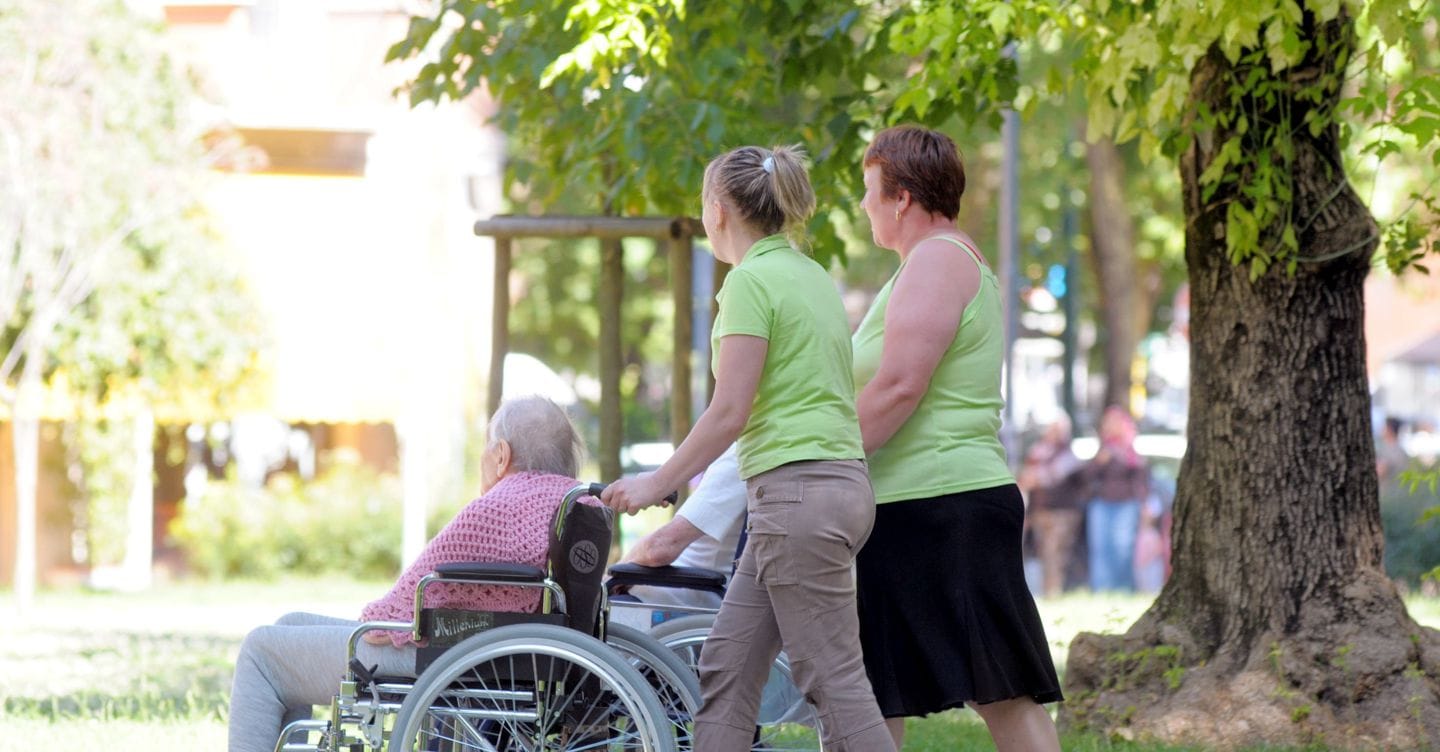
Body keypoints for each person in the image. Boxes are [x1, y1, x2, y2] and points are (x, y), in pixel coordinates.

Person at [602, 145, 895, 752]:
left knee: (833, 682)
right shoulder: (811, 276)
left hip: (796, 500)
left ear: (717, 210)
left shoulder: (749, 282)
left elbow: (729, 411)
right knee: (728, 666)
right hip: (831, 491)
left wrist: (657, 483)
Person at [850, 125, 1062, 752]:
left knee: (1002, 692)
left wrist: (820, 460)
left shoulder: (937, 260)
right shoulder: (927, 263)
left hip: (943, 502)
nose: (863, 205)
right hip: (911, 504)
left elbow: (898, 387)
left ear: (901, 199)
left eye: (869, 190)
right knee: (873, 692)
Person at [227, 396, 587, 752]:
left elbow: (390, 620)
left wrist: (380, 618)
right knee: (290, 623)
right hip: (493, 647)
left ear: (501, 455)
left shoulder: (499, 509)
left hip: (449, 651)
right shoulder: (569, 499)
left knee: (260, 653)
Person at [618, 443, 746, 614]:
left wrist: (613, 575)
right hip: (698, 590)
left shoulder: (738, 458)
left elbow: (660, 548)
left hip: (684, 597)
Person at [1076, 405, 1150, 593]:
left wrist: (1144, 504)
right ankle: (1102, 589)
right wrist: (1099, 462)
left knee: (1122, 546)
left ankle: (1123, 588)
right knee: (1100, 547)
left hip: (1126, 503)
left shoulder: (1131, 452)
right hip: (1101, 503)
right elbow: (1086, 476)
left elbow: (1141, 480)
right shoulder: (1103, 448)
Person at [1017, 414, 1084, 598]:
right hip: (1040, 512)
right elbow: (1026, 480)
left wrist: (1036, 478)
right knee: (1044, 554)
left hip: (1061, 513)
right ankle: (1048, 591)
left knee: (1056, 554)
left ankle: (1054, 592)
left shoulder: (1068, 455)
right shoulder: (1037, 453)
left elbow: (1052, 476)